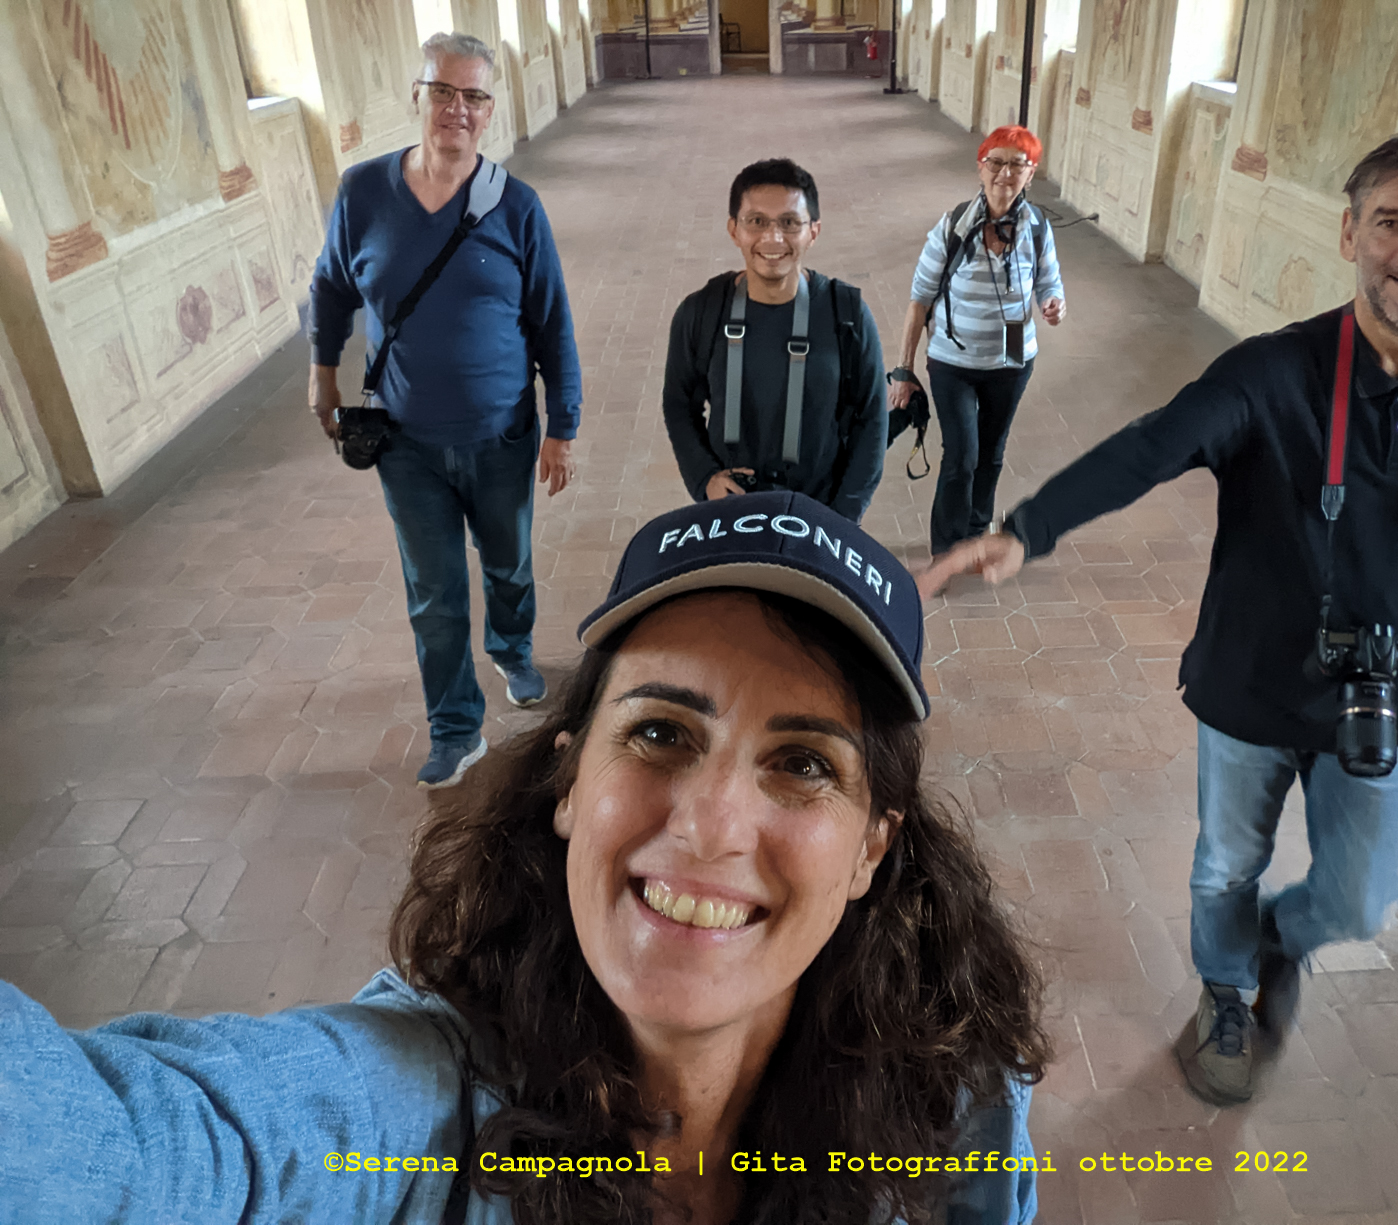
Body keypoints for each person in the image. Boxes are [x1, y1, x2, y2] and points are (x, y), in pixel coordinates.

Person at [0, 491, 1052, 1225]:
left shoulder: (950, 1085)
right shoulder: (408, 1111)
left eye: (804, 763)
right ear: (568, 781)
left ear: (872, 847)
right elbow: (138, 1153)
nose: (710, 825)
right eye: (658, 732)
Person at [920, 131, 1398, 1106]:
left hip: (1380, 692)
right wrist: (1028, 529)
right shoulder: (1272, 372)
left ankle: (1278, 939)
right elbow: (1151, 445)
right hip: (1249, 679)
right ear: (1349, 235)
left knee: (1362, 899)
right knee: (1225, 865)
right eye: (1389, 223)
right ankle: (1223, 990)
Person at [309, 31, 583, 789]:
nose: (456, 108)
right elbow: (330, 287)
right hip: (406, 443)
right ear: (418, 97)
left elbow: (552, 322)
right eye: (442, 91)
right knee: (433, 592)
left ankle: (512, 649)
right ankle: (455, 728)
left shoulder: (516, 206)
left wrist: (562, 426)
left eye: (473, 96)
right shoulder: (364, 193)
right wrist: (322, 374)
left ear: (490, 110)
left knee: (508, 563)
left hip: (502, 435)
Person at [662, 159, 888, 523]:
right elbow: (678, 403)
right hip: (729, 511)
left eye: (789, 222)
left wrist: (844, 516)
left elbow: (872, 417)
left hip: (820, 512)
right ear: (734, 230)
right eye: (756, 221)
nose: (773, 238)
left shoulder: (847, 315)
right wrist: (704, 478)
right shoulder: (700, 312)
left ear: (813, 231)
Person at [892, 125, 1065, 556]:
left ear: (1031, 174)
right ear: (980, 168)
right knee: (962, 456)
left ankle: (975, 531)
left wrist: (1053, 303)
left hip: (1011, 362)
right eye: (996, 162)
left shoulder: (1037, 227)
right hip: (952, 363)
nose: (1005, 173)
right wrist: (904, 370)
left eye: (1017, 165)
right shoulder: (952, 227)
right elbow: (919, 300)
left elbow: (1049, 282)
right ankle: (947, 547)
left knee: (991, 453)